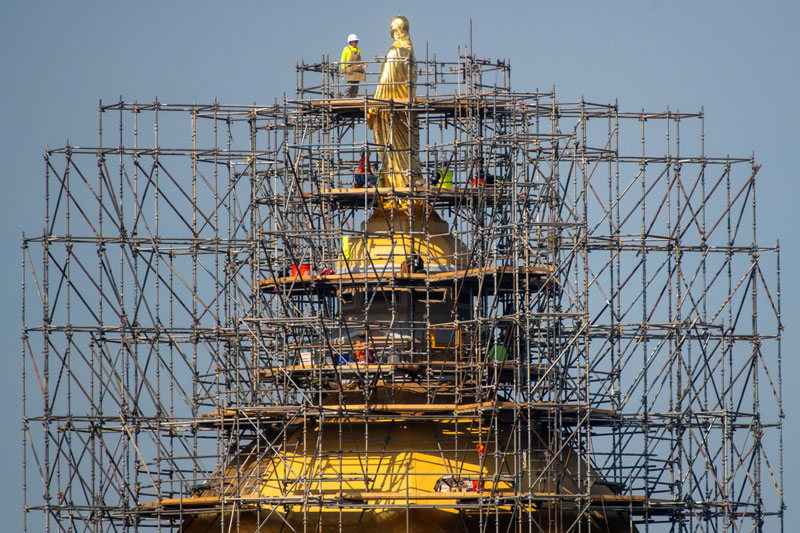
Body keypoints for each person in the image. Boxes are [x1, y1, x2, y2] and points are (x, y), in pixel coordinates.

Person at [367, 16, 423, 188]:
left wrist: (372, 106)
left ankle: (399, 181)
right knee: (406, 150)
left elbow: (385, 84)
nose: (390, 30)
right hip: (406, 111)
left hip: (392, 111)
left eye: (392, 27)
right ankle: (408, 178)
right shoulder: (409, 53)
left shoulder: (395, 53)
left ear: (397, 29)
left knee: (393, 150)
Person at [340, 34, 366, 98]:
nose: (356, 43)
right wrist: (343, 68)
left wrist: (363, 63)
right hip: (350, 69)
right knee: (349, 86)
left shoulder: (358, 50)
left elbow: (359, 59)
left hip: (357, 70)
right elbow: (342, 59)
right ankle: (347, 99)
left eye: (357, 41)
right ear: (351, 42)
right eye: (355, 41)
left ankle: (353, 98)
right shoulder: (347, 49)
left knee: (356, 87)